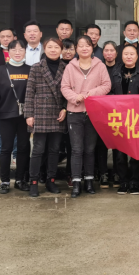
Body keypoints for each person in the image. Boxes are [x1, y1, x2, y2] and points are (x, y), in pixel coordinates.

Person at [61, 36, 111, 198]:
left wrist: (92, 93)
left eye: (87, 45)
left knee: (90, 149)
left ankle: (89, 181)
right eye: (81, 46)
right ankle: (76, 182)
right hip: (74, 113)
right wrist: (76, 97)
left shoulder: (100, 65)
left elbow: (106, 85)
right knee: (76, 149)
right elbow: (64, 87)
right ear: (76, 48)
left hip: (93, 113)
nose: (84, 48)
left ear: (92, 48)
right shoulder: (70, 67)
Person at [24, 38, 67, 197]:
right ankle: (33, 182)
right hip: (40, 113)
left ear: (61, 50)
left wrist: (65, 108)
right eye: (50, 47)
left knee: (54, 150)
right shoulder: (36, 67)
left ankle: (51, 180)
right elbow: (29, 92)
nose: (53, 50)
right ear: (44, 48)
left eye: (56, 47)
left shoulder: (66, 67)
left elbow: (68, 90)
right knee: (38, 150)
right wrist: (29, 114)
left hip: (58, 113)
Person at [0, 40, 32, 195]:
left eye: (21, 49)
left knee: (24, 148)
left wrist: (32, 114)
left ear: (25, 51)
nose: (17, 52)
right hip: (6, 116)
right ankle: (5, 181)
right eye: (14, 49)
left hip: (25, 117)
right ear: (9, 52)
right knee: (6, 149)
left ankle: (20, 180)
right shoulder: (0, 71)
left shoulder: (31, 70)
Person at [115, 45, 139, 195]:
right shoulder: (115, 72)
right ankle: (123, 181)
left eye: (132, 54)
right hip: (119, 117)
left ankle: (135, 182)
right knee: (120, 153)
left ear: (137, 57)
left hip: (137, 118)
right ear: (122, 56)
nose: (129, 56)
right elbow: (109, 93)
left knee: (136, 152)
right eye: (126, 54)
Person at [0, 28, 17, 169]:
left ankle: (16, 156)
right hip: (1, 100)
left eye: (8, 36)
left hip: (17, 98)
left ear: (14, 38)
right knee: (0, 130)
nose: (5, 39)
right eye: (2, 36)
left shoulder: (19, 54)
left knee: (17, 131)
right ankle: (1, 156)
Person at [95, 41, 120, 189]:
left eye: (112, 50)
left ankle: (117, 173)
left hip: (117, 111)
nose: (109, 53)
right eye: (106, 50)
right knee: (101, 143)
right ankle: (103, 173)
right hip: (101, 111)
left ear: (116, 53)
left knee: (117, 143)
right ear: (102, 53)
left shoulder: (121, 69)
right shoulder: (98, 68)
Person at [60, 39, 76, 188]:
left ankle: (70, 174)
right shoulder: (56, 65)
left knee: (72, 145)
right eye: (65, 49)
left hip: (73, 109)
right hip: (56, 110)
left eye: (71, 49)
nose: (68, 52)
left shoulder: (78, 65)